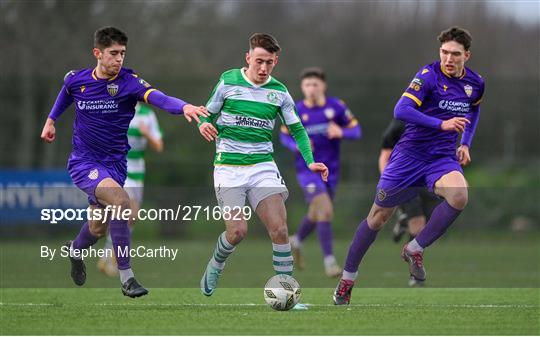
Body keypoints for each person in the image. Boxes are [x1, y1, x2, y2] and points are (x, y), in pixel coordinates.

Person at [40, 26, 208, 297]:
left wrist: (185, 107)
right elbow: (66, 93)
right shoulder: (77, 80)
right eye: (113, 53)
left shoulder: (129, 82)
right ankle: (127, 278)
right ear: (97, 53)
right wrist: (51, 120)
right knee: (122, 202)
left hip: (115, 166)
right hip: (84, 163)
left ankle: (74, 250)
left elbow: (158, 98)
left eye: (123, 54)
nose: (119, 59)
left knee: (97, 227)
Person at [333, 26, 484, 304]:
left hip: (441, 158)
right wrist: (442, 123)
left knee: (460, 195)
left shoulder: (475, 83)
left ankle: (415, 248)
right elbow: (400, 110)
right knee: (377, 218)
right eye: (444, 52)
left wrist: (465, 143)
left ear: (467, 55)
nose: (448, 58)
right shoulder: (428, 76)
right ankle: (346, 281)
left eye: (455, 54)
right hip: (408, 157)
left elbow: (473, 109)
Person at [197, 33, 328, 298]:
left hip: (262, 166)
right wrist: (204, 124)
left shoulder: (279, 91)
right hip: (228, 168)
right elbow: (206, 114)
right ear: (248, 58)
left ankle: (287, 292)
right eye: (258, 61)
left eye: (269, 62)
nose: (263, 68)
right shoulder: (228, 80)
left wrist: (311, 162)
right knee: (237, 232)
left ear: (275, 61)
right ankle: (216, 263)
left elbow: (298, 130)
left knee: (280, 229)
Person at [280, 67, 361, 278]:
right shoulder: (296, 109)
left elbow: (356, 130)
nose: (311, 88)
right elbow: (284, 136)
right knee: (324, 209)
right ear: (302, 87)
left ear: (323, 86)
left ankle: (296, 241)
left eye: (315, 84)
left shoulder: (336, 107)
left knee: (316, 212)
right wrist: (296, 146)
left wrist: (341, 131)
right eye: (307, 85)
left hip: (331, 171)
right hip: (307, 170)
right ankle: (330, 262)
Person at [97, 103, 164, 277]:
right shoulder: (115, 108)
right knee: (125, 211)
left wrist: (146, 133)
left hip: (137, 170)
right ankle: (113, 258)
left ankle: (108, 255)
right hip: (118, 167)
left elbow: (158, 146)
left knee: (132, 217)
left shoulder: (147, 114)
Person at [379, 118, 441, 286]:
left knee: (429, 231)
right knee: (418, 224)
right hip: (405, 181)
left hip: (427, 180)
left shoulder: (438, 122)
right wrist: (390, 183)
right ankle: (415, 276)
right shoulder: (399, 125)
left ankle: (404, 220)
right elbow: (384, 156)